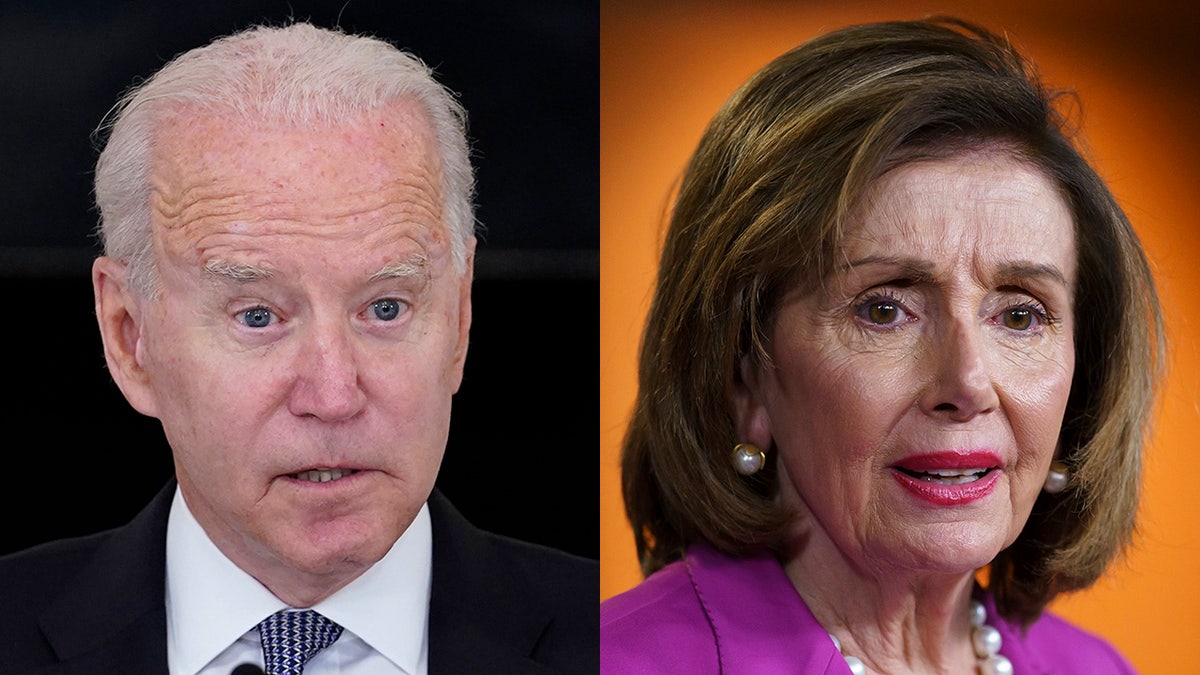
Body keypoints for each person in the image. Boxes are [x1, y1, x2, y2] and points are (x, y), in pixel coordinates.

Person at [0, 21, 596, 674]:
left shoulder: (616, 634)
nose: (333, 395)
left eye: (386, 308)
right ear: (128, 337)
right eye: (258, 315)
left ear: (459, 317)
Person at [600, 16, 1162, 675]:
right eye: (885, 308)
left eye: (1018, 315)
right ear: (744, 372)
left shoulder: (1094, 667)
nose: (968, 382)